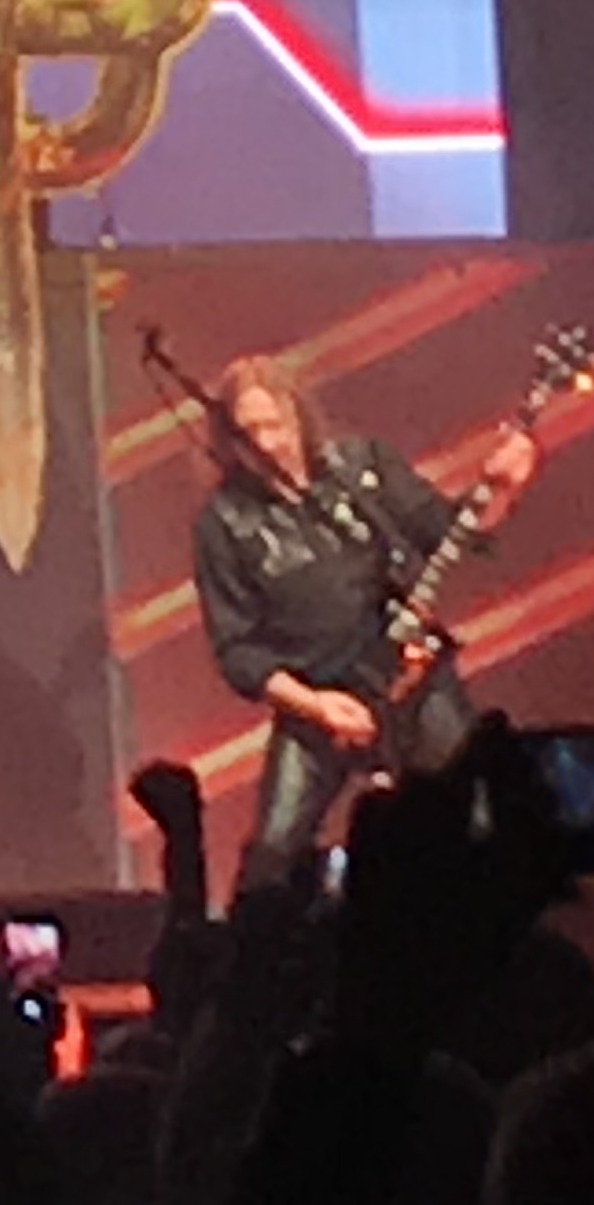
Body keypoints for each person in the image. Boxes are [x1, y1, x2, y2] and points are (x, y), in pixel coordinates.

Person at [193, 350, 538, 894]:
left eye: (274, 425)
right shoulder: (224, 522)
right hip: (318, 702)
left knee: (482, 816)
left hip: (413, 679)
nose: (266, 443)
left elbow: (449, 531)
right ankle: (261, 942)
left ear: (298, 414)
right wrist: (317, 706)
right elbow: (237, 650)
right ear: (229, 439)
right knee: (273, 854)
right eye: (249, 432)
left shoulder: (362, 467)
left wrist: (502, 488)